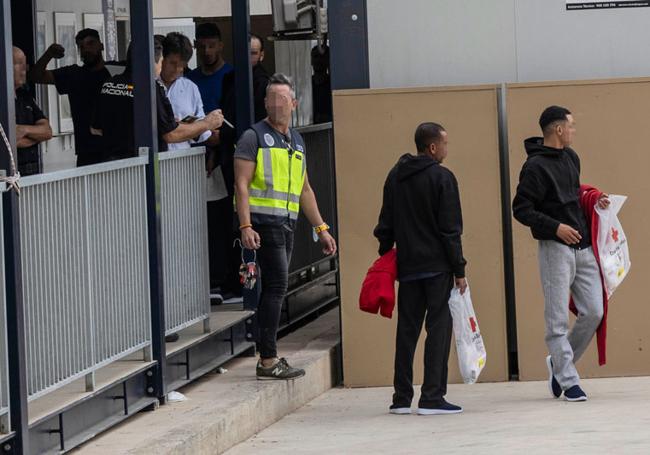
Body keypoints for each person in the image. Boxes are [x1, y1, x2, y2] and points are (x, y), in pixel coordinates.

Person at [234, 73, 337, 380]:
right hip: (264, 225)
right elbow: (241, 185)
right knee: (276, 287)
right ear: (265, 102)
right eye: (272, 98)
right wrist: (245, 225)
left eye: (284, 99)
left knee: (278, 286)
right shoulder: (253, 137)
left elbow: (305, 190)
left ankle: (268, 356)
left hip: (287, 225)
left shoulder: (296, 140)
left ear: (294, 103)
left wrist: (321, 229)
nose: (278, 104)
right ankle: (267, 359)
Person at [513, 106, 609, 402]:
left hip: (583, 247)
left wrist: (595, 199)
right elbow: (521, 209)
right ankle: (568, 380)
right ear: (557, 129)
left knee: (594, 311)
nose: (574, 130)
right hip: (556, 248)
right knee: (556, 319)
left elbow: (573, 194)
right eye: (571, 125)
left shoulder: (571, 158)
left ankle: (557, 363)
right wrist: (555, 228)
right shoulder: (534, 167)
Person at [374, 122, 467, 416]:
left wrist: (385, 253)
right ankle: (432, 397)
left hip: (408, 267)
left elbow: (385, 222)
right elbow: (450, 230)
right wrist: (459, 269)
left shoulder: (396, 175)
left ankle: (401, 398)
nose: (447, 150)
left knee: (407, 331)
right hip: (438, 268)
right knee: (438, 330)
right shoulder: (443, 178)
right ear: (432, 147)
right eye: (445, 144)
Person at [91, 36, 223, 161]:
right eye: (161, 61)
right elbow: (170, 134)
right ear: (150, 61)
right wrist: (207, 123)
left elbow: (95, 128)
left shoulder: (108, 84)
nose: (160, 67)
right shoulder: (151, 87)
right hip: (140, 166)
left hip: (110, 165)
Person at [29, 29, 110, 166]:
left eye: (91, 44)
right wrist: (48, 54)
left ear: (101, 45)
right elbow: (35, 77)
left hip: (116, 149)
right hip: (87, 151)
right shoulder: (74, 74)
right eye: (81, 47)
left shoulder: (115, 71)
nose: (86, 50)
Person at [160, 32, 216, 151]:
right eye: (173, 63)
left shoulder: (190, 88)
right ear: (162, 59)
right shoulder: (149, 86)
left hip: (181, 159)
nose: (176, 70)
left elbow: (203, 131)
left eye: (181, 66)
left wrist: (189, 127)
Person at [13, 46, 52, 176]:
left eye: (25, 64)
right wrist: (36, 137)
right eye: (18, 64)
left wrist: (24, 130)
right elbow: (8, 141)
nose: (25, 69)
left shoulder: (25, 96)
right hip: (9, 172)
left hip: (33, 170)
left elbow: (47, 132)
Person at [188, 23, 233, 113]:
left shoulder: (233, 76)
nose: (207, 51)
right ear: (195, 45)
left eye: (211, 46)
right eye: (202, 46)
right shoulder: (189, 80)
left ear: (220, 46)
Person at [311, 44, 332, 124]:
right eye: (316, 57)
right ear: (311, 61)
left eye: (322, 57)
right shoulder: (307, 85)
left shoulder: (333, 85)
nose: (318, 60)